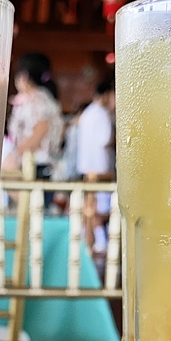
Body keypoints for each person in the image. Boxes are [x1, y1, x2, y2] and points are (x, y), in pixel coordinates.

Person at [7, 53, 64, 182]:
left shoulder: (35, 99)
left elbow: (41, 130)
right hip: (42, 165)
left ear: (24, 76)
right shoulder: (45, 97)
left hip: (35, 165)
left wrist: (15, 155)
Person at [76, 78, 116, 253]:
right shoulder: (102, 113)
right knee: (100, 209)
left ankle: (90, 242)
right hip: (100, 169)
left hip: (86, 166)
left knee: (90, 207)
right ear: (107, 94)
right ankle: (99, 242)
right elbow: (105, 139)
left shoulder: (87, 113)